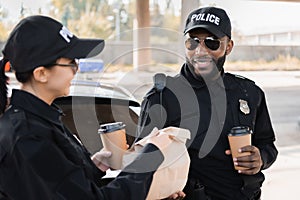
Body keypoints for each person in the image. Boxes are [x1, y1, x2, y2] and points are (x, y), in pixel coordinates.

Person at [0, 15, 184, 200]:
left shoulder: (41, 119)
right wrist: (151, 157)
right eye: (71, 62)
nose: (76, 69)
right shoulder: (28, 137)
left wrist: (92, 167)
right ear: (41, 74)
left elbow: (64, 185)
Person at [136, 6, 278, 200]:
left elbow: (267, 143)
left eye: (211, 43)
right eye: (192, 42)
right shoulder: (162, 97)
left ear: (228, 47)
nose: (200, 51)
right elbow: (141, 164)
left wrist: (261, 158)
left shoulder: (249, 93)